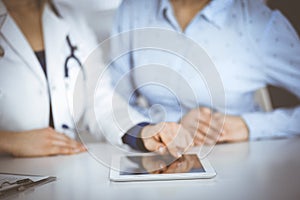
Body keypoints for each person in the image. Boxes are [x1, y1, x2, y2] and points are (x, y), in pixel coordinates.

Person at [108, 0, 300, 157]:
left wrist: (248, 126)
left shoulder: (260, 23)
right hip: (156, 162)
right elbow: (112, 104)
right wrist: (169, 126)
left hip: (243, 169)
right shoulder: (132, 10)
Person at [0, 0, 91, 157]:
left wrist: (138, 131)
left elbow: (101, 96)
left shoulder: (71, 16)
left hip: (68, 164)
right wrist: (8, 141)